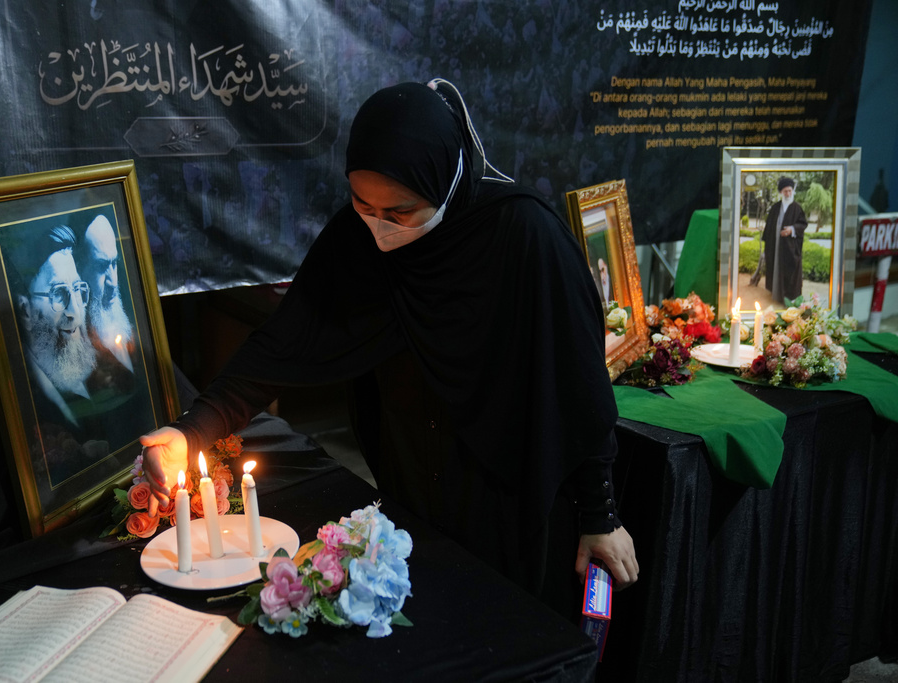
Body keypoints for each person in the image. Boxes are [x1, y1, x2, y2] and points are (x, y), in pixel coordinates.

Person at [141, 80, 638, 601]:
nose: (379, 227)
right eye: (362, 203)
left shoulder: (524, 238)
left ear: (445, 185)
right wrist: (190, 432)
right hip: (410, 495)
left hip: (509, 499)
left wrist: (600, 514)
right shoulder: (356, 240)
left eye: (399, 213)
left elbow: (579, 386)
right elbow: (280, 347)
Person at [6, 225, 97, 429]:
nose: (75, 311)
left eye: (77, 290)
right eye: (58, 294)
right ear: (25, 310)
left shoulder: (94, 374)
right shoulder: (23, 398)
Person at [76, 214, 137, 395]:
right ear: (80, 268)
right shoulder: (72, 337)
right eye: (102, 266)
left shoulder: (136, 321)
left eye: (114, 263)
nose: (113, 281)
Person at [761, 176, 808, 303]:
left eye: (790, 191)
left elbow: (803, 224)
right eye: (785, 191)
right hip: (775, 246)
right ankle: (777, 295)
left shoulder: (797, 208)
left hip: (789, 248)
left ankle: (789, 298)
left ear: (793, 191)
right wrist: (767, 245)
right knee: (775, 268)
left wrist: (792, 229)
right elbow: (769, 226)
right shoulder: (775, 207)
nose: (788, 193)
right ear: (781, 192)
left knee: (790, 271)